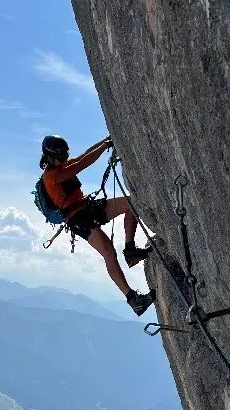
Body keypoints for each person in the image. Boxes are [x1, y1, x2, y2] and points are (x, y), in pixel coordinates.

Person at [40, 134, 156, 316]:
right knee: (108, 251)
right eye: (60, 159)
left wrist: (105, 141)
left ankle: (130, 250)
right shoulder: (52, 177)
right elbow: (82, 164)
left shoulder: (60, 166)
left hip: (87, 208)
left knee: (131, 203)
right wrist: (105, 146)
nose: (64, 161)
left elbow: (82, 156)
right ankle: (133, 300)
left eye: (64, 158)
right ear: (49, 157)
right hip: (77, 219)